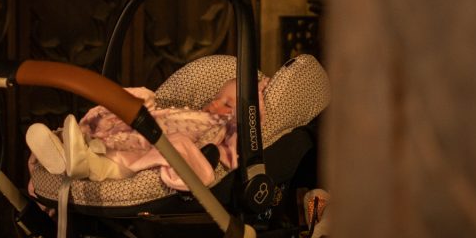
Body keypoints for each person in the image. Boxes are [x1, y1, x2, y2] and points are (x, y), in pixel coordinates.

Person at [26, 54, 328, 191]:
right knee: (134, 110)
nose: (214, 104)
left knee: (154, 148)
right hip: (145, 128)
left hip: (158, 143)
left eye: (227, 104)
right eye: (217, 98)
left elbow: (236, 147)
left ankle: (86, 163)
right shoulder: (198, 112)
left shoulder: (226, 129)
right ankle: (71, 148)